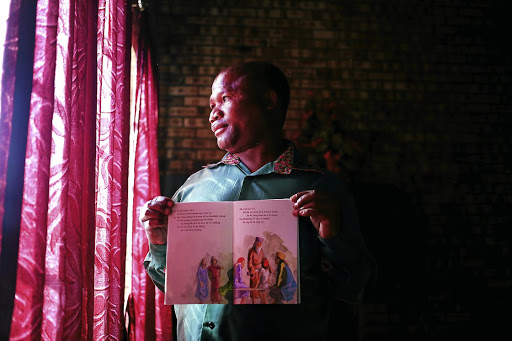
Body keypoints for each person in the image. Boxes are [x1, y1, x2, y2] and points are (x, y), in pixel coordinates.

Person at [141, 61, 373, 341]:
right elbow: (171, 284)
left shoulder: (323, 191)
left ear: (268, 100)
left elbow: (356, 287)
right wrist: (160, 244)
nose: (213, 113)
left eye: (225, 99)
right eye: (210, 105)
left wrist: (333, 239)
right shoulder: (193, 189)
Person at [247, 236, 265, 303]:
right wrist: (251, 268)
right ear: (255, 243)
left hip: (260, 270)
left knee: (261, 284)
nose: (259, 246)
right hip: (254, 271)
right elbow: (249, 262)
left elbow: (263, 259)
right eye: (257, 244)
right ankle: (253, 301)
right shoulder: (251, 251)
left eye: (260, 244)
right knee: (253, 285)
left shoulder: (261, 250)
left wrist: (266, 264)